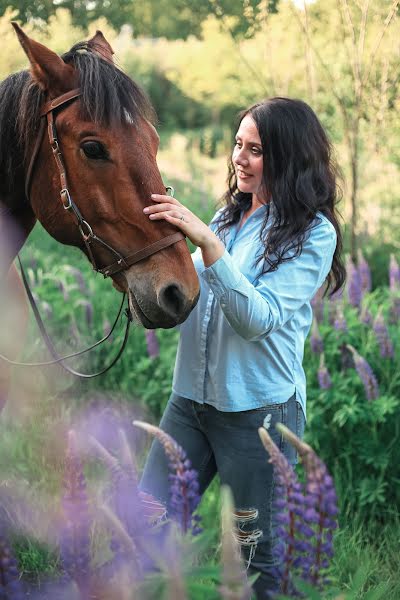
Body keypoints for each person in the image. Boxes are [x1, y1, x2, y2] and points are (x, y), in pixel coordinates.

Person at [140, 97, 346, 597]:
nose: (240, 158)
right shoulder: (229, 217)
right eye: (238, 144)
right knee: (145, 521)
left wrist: (208, 244)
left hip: (258, 418)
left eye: (256, 150)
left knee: (257, 556)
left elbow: (259, 320)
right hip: (189, 402)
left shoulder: (313, 235)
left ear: (289, 157)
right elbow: (188, 290)